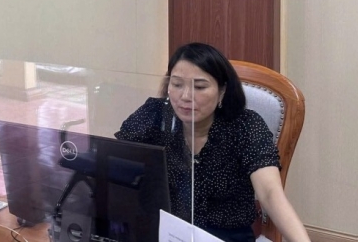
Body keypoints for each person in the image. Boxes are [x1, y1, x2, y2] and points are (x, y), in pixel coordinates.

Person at [115, 43, 310, 242]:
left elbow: (270, 193)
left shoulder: (245, 126)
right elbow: (114, 163)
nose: (185, 96)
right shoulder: (155, 115)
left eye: (199, 87)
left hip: (225, 236)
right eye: (177, 84)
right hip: (164, 232)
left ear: (222, 91)